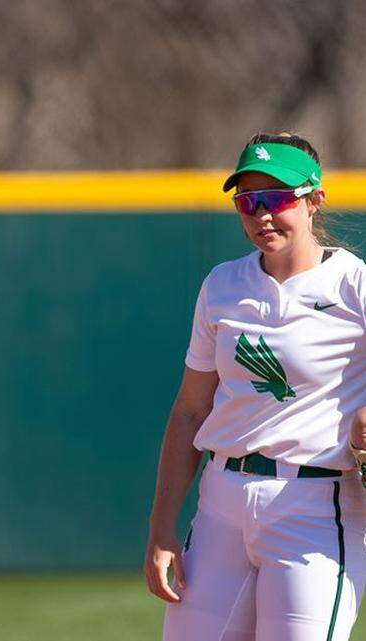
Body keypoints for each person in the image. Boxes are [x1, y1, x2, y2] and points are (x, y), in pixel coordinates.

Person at [144, 132, 366, 641]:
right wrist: (161, 527)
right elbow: (189, 412)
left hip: (316, 505)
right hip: (222, 499)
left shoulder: (354, 285)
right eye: (247, 201)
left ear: (315, 200)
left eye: (277, 198)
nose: (261, 214)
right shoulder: (222, 285)